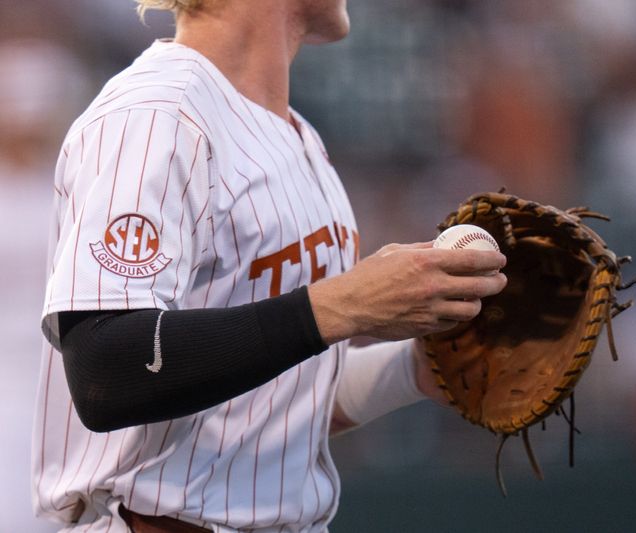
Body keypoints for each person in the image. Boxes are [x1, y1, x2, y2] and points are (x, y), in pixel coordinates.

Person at [32, 0, 507, 531]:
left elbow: (272, 395)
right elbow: (106, 371)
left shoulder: (295, 135)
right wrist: (344, 304)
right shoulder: (155, 113)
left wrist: (416, 371)